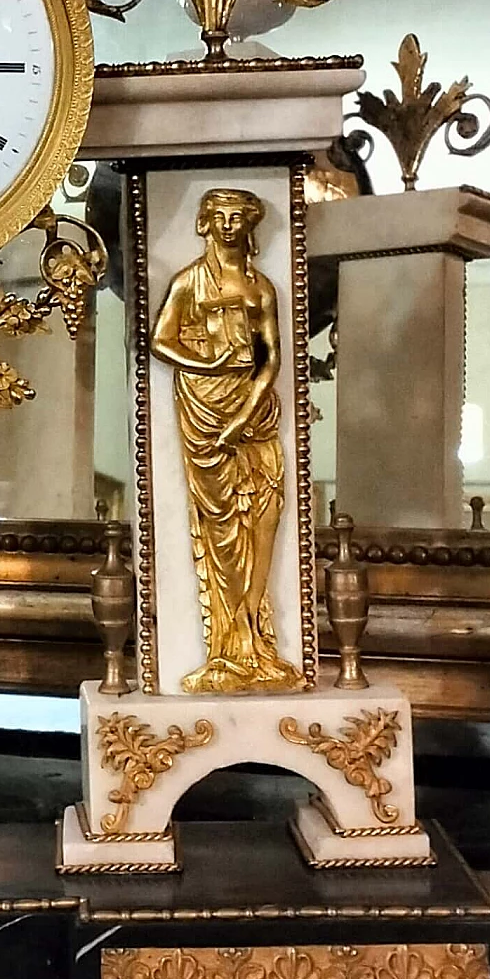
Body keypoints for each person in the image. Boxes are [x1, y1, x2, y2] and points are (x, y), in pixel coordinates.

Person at [149, 186, 301, 694]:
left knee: (265, 513)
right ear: (206, 223)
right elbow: (161, 341)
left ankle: (255, 642)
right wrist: (206, 363)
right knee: (221, 528)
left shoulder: (261, 288)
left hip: (252, 410)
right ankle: (227, 648)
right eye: (221, 216)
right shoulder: (189, 281)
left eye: (238, 216)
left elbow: (271, 360)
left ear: (251, 225)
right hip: (203, 407)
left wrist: (245, 413)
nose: (230, 224)